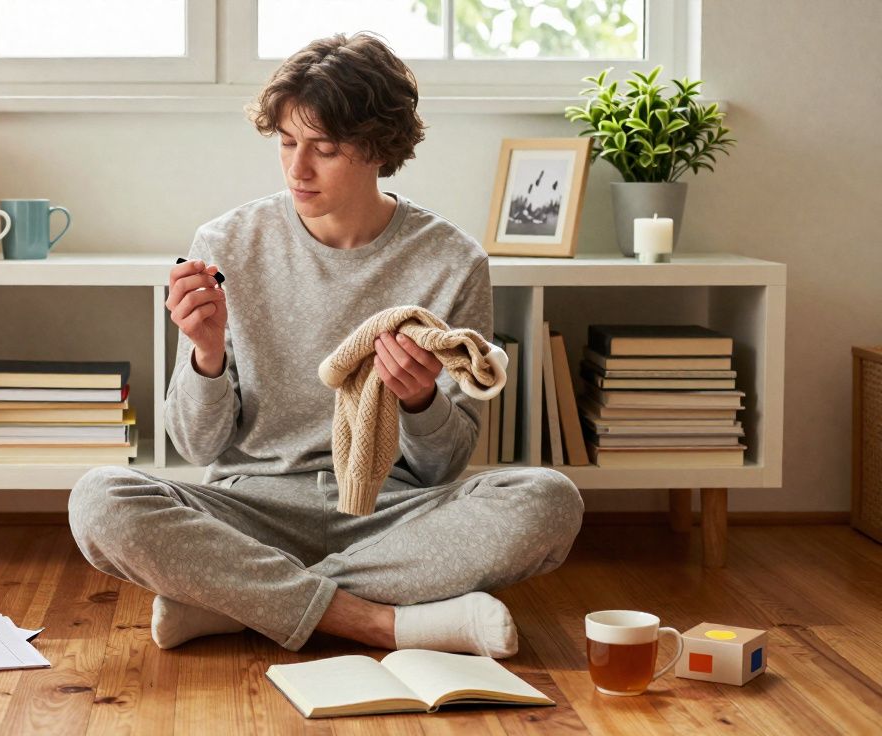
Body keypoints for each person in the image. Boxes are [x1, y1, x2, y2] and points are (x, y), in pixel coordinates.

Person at [69, 32, 582, 656]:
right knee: (99, 499)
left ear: (377, 149)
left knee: (549, 501)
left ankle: (236, 602)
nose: (296, 168)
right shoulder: (226, 243)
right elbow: (197, 445)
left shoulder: (452, 261)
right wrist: (205, 357)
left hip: (393, 515)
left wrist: (421, 400)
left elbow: (442, 468)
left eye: (325, 149)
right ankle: (381, 622)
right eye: (287, 143)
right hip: (248, 510)